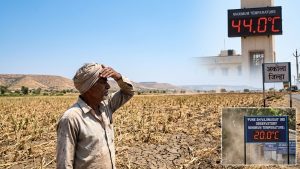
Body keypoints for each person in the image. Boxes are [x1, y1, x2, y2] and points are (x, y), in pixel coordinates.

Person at [56, 63, 134, 169]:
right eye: (103, 82)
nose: (108, 86)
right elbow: (64, 164)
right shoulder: (71, 118)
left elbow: (128, 92)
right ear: (89, 87)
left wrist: (118, 77)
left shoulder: (107, 105)